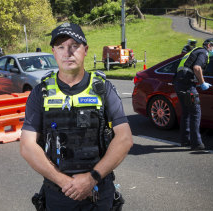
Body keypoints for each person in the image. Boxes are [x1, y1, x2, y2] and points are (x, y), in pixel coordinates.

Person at [20, 22, 133, 211]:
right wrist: (64, 182)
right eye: (61, 47)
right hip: (58, 194)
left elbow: (124, 138)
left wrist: (91, 178)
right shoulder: (41, 92)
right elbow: (27, 145)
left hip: (99, 192)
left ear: (85, 50)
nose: (68, 52)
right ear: (54, 52)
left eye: (74, 46)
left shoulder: (103, 89)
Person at [173, 38, 213, 150]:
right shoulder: (204, 52)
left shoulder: (195, 51)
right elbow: (197, 68)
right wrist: (203, 83)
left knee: (186, 112)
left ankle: (185, 141)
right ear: (209, 45)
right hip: (187, 85)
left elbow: (188, 68)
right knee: (195, 112)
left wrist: (198, 82)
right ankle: (196, 144)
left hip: (179, 83)